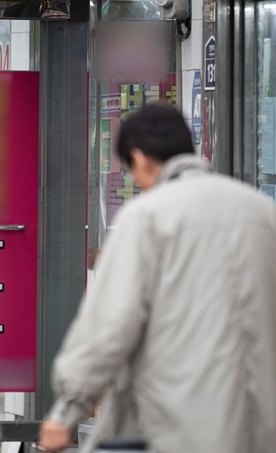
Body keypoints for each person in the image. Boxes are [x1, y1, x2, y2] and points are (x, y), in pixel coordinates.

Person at [38, 104, 276, 453]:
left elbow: (110, 324)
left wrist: (66, 410)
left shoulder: (147, 217)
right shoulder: (262, 211)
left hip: (176, 426)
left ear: (141, 158)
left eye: (132, 170)